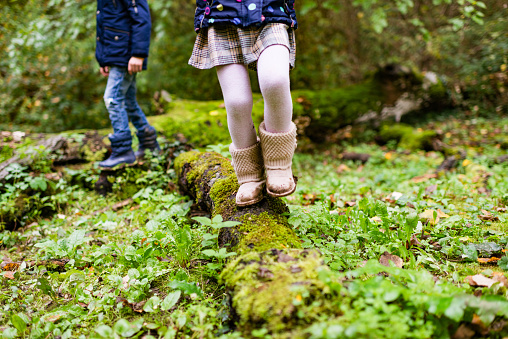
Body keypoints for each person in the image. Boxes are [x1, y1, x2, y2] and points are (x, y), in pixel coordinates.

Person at [189, 0, 298, 206]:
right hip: (220, 17)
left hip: (271, 13)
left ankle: (278, 164)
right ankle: (249, 175)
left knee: (275, 80)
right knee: (237, 102)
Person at [95, 0, 160, 168]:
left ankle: (123, 150)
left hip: (126, 54)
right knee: (129, 101)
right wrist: (103, 58)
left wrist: (138, 54)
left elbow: (142, 18)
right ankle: (149, 145)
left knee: (112, 98)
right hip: (116, 54)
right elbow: (104, 23)